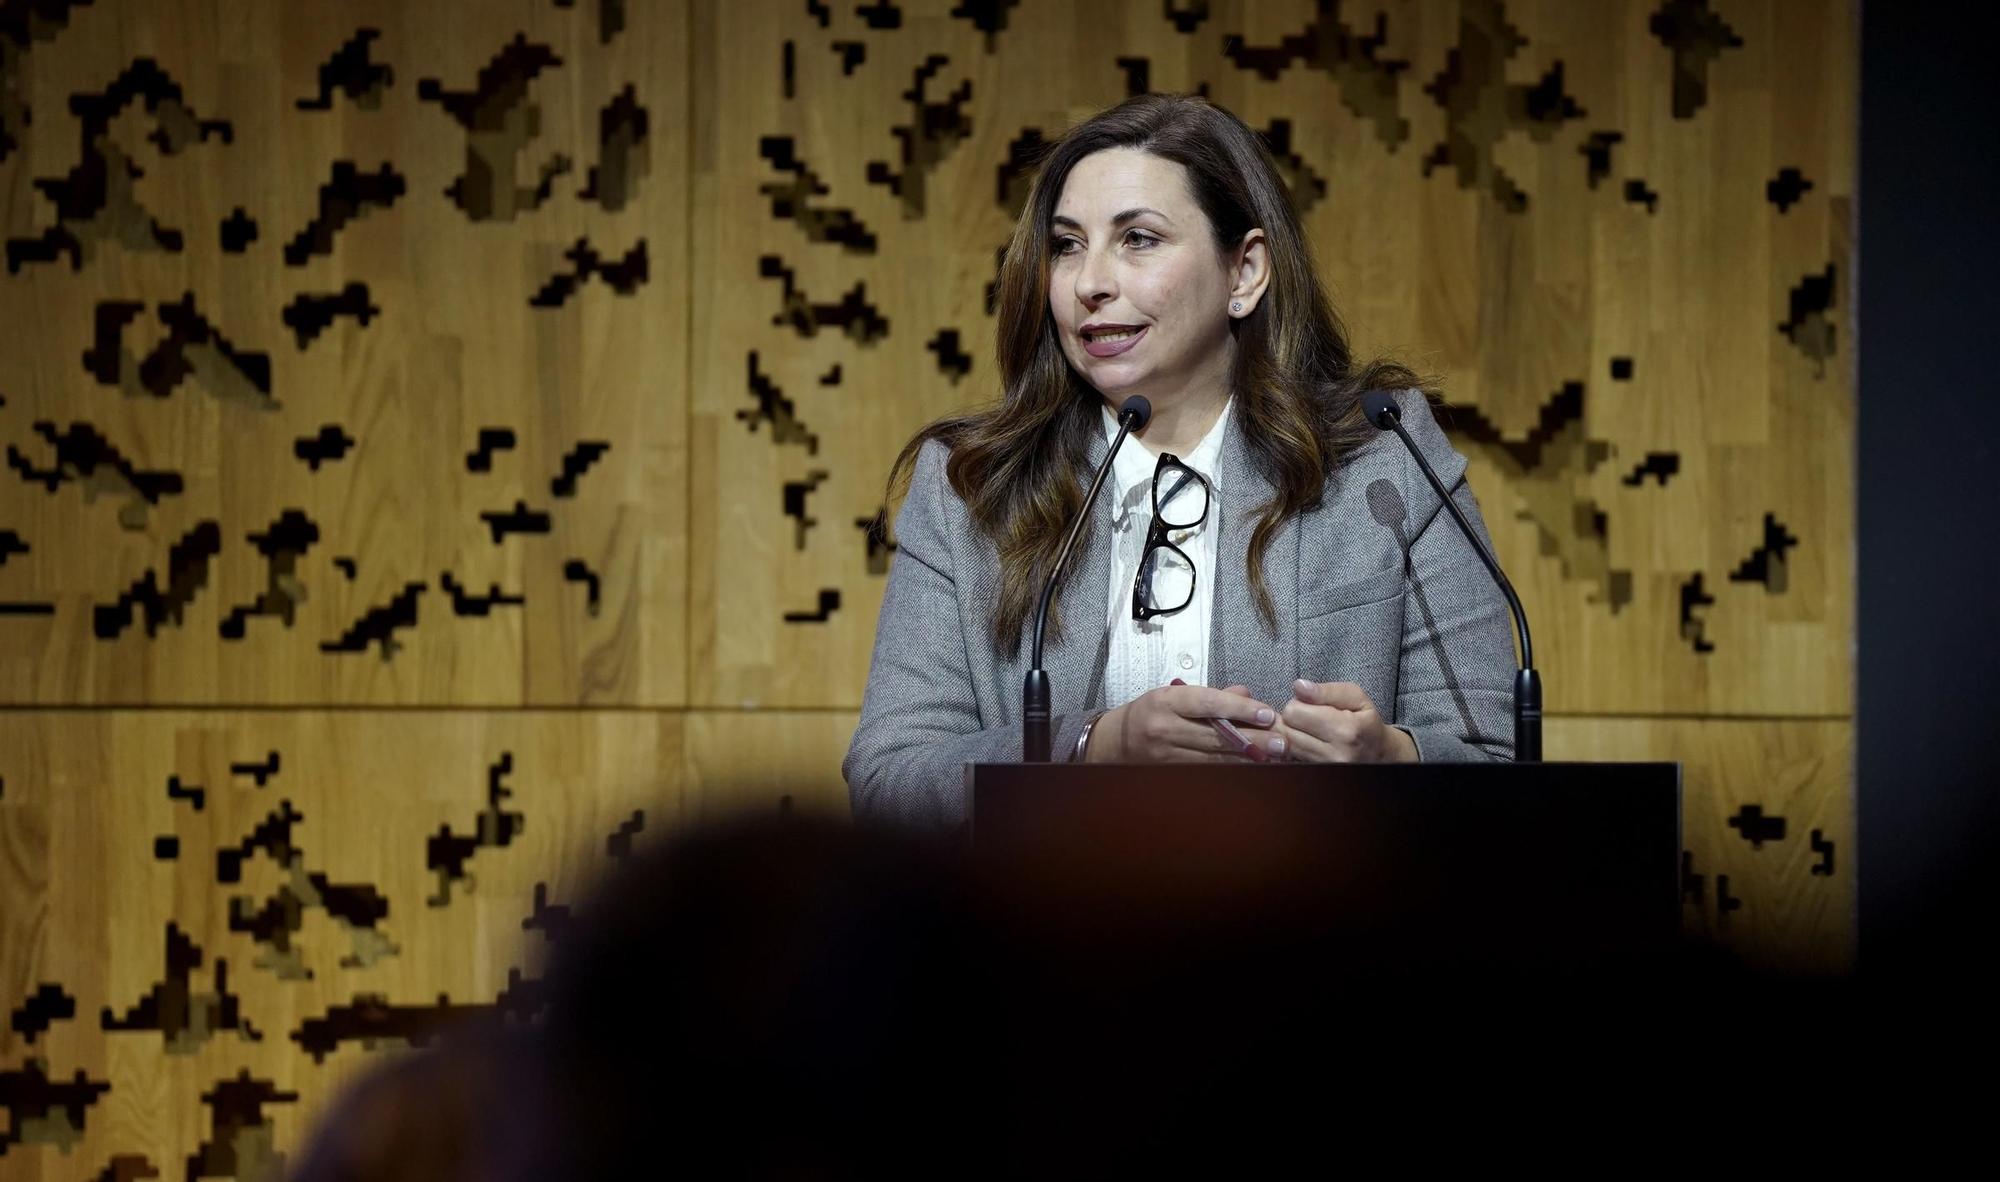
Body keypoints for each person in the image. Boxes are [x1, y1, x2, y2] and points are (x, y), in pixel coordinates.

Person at [844, 94, 1516, 829]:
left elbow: (1500, 764)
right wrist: (1094, 746)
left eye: (1138, 239)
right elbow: (889, 780)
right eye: (1067, 245)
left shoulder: (1381, 459)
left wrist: (1395, 763)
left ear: (1245, 272)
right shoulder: (971, 485)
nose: (1090, 282)